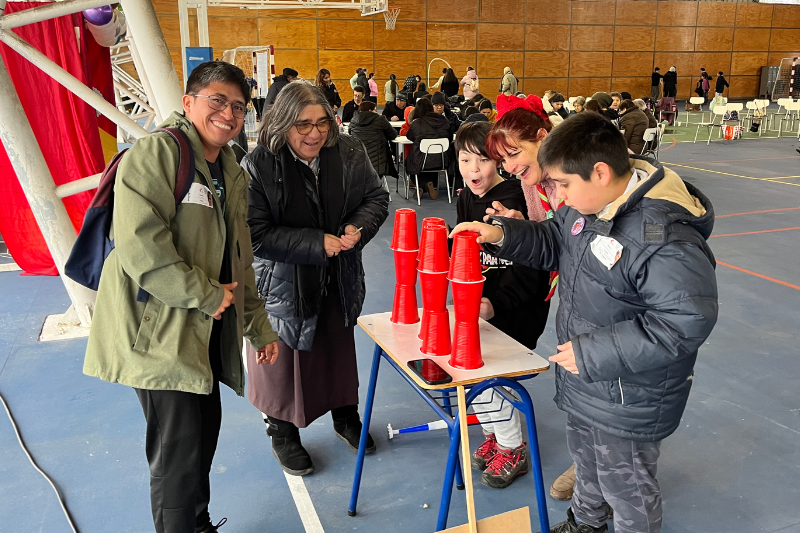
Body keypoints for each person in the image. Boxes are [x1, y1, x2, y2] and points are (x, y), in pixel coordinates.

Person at [451, 111, 718, 533]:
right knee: (589, 462)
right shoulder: (587, 207)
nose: (556, 194)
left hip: (630, 391)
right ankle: (586, 523)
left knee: (626, 483)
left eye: (562, 185)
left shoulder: (663, 237)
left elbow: (684, 319)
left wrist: (595, 352)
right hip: (587, 376)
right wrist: (503, 235)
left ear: (599, 172)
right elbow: (556, 241)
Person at [83, 60, 280, 533]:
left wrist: (258, 326)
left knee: (201, 438)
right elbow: (140, 246)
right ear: (189, 103)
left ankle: (196, 523)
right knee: (177, 455)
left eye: (238, 106)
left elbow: (238, 257)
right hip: (160, 331)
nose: (229, 114)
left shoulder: (229, 170)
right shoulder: (157, 154)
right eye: (218, 101)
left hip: (204, 329)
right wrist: (205, 295)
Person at [243, 81, 390, 477]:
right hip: (283, 282)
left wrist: (358, 227)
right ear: (282, 124)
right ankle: (282, 431)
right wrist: (314, 244)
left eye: (322, 122)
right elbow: (255, 234)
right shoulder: (259, 165)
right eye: (303, 125)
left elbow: (376, 199)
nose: (315, 133)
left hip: (338, 274)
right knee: (284, 361)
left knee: (336, 350)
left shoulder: (348, 151)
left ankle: (346, 417)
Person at [455, 121, 552, 489]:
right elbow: (462, 249)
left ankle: (513, 448)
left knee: (488, 379)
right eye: (465, 160)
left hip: (515, 310)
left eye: (482, 160)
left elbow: (532, 271)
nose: (473, 170)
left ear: (497, 161)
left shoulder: (514, 197)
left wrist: (494, 304)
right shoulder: (466, 196)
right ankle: (496, 437)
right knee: (473, 374)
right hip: (482, 306)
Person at [406, 98, 452, 200]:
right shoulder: (444, 120)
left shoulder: (417, 123)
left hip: (421, 159)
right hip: (442, 159)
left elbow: (410, 137)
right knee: (431, 163)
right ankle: (428, 184)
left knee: (409, 162)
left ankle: (423, 184)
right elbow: (450, 138)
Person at [348, 100, 398, 177]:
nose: (376, 111)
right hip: (378, 163)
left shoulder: (353, 121)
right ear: (370, 110)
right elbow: (393, 135)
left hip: (358, 162)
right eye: (375, 109)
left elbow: (350, 133)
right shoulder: (381, 119)